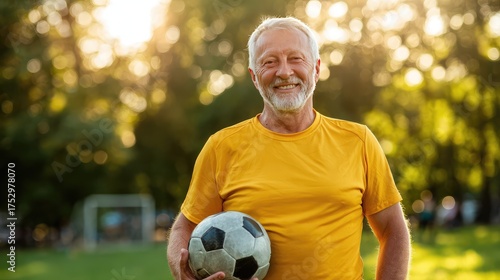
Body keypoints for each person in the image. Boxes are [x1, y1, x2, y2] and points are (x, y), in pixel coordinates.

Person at [167, 16, 411, 279]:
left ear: (316, 69)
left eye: (296, 58)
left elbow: (393, 230)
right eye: (269, 62)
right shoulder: (221, 147)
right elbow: (185, 226)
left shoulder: (358, 141)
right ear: (254, 77)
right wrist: (183, 271)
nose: (284, 72)